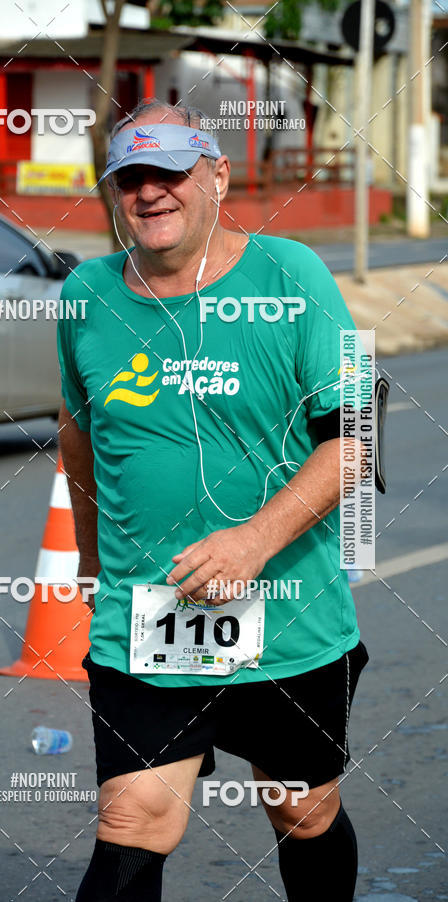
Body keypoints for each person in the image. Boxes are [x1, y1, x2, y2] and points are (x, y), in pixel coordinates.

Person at [57, 99, 369, 902]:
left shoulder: (290, 277)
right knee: (132, 822)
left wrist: (253, 541)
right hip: (146, 616)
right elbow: (79, 437)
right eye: (131, 178)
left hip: (289, 611)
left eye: (171, 173)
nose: (150, 193)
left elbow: (352, 440)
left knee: (301, 810)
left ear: (218, 177)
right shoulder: (86, 295)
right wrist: (95, 571)